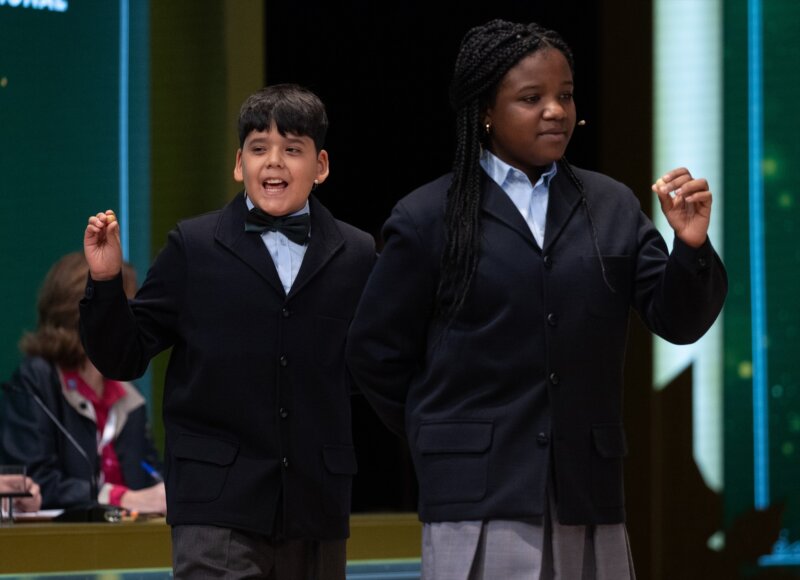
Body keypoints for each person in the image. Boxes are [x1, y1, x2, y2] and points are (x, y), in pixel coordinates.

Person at [345, 19, 727, 579]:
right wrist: (442, 431)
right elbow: (372, 352)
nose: (556, 110)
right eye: (532, 98)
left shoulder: (612, 205)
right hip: (476, 497)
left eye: (565, 96)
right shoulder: (427, 216)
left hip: (586, 492)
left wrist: (689, 247)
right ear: (486, 112)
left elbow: (679, 320)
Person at [80, 84, 375, 579]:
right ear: (239, 164)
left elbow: (374, 362)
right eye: (259, 149)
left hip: (315, 506)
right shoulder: (194, 246)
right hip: (215, 510)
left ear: (321, 166)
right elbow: (125, 355)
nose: (274, 162)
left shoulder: (358, 253)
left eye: (293, 150)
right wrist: (106, 281)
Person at [0, 252, 165, 514]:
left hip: (131, 542)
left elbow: (151, 478)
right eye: (126, 307)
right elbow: (30, 484)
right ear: (82, 311)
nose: (134, 320)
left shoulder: (128, 397)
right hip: (66, 545)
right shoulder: (36, 381)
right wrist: (118, 497)